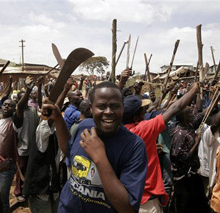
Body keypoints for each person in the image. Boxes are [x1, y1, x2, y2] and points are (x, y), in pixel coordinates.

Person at [42, 81, 148, 212]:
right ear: (91, 108)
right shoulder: (84, 126)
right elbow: (70, 151)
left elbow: (128, 209)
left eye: (115, 106)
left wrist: (100, 158)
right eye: (101, 106)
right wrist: (58, 118)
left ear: (123, 108)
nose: (108, 112)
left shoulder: (134, 147)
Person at [123, 82, 201, 212]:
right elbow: (175, 108)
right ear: (136, 117)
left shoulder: (118, 131)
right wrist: (194, 90)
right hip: (146, 200)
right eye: (143, 111)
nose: (145, 112)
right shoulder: (143, 129)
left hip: (126, 197)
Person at [0, 99, 22, 213]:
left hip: (6, 167)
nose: (6, 107)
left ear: (14, 109)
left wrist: (28, 89)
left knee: (3, 198)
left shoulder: (14, 123)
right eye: (5, 105)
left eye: (10, 106)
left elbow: (21, 108)